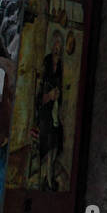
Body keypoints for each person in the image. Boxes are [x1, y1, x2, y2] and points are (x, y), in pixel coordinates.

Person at [37, 30, 64, 190]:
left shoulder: (60, 64)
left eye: (59, 44)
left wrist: (58, 95)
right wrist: (48, 96)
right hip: (45, 111)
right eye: (55, 43)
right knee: (47, 142)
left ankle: (49, 176)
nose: (57, 47)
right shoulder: (46, 62)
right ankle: (45, 181)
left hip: (54, 110)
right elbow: (39, 93)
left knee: (56, 142)